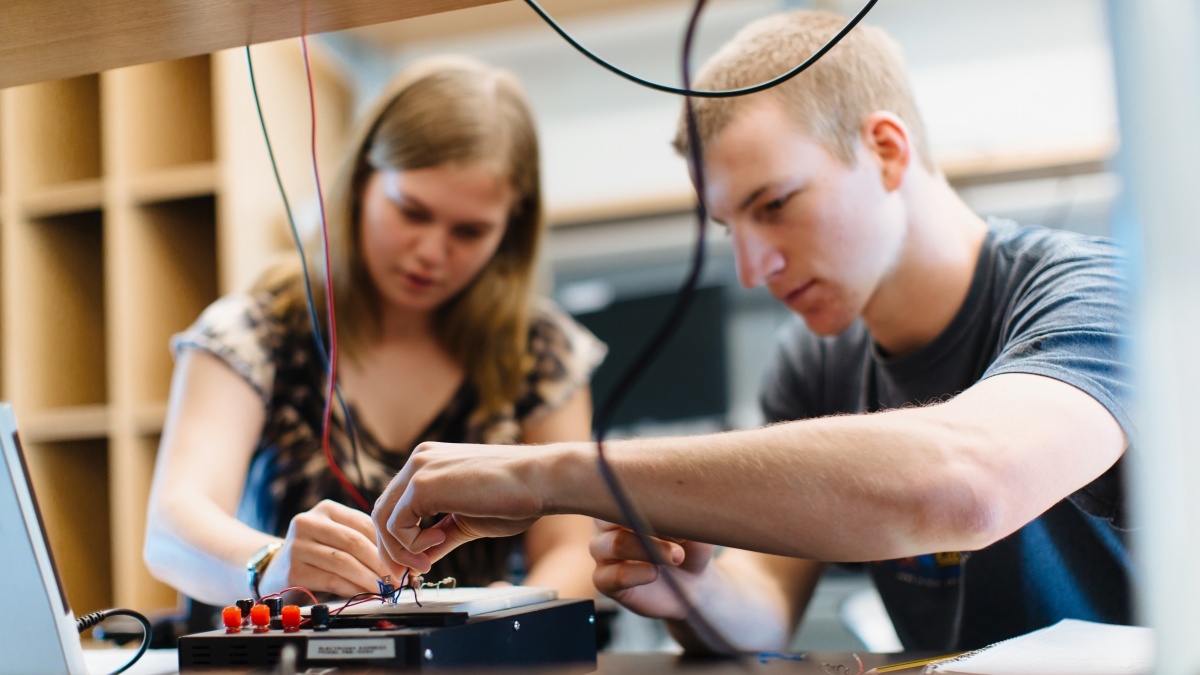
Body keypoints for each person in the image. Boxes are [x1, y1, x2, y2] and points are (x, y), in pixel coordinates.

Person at [371, 10, 1133, 654]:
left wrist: (544, 475)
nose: (751, 266)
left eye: (775, 204)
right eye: (729, 225)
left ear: (887, 150)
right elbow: (766, 598)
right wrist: (691, 588)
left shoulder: (1099, 294)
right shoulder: (814, 362)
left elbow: (964, 484)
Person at [143, 55, 605, 610]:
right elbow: (171, 531)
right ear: (361, 182)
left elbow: (573, 546)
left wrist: (515, 610)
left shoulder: (540, 348)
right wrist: (272, 564)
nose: (431, 253)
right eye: (411, 211)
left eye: (470, 230)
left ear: (512, 228)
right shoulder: (253, 332)